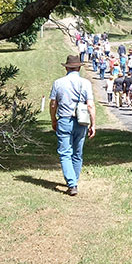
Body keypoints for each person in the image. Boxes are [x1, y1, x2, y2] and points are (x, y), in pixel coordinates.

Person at [49, 55, 96, 196]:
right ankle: (73, 180)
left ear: (67, 68)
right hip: (82, 121)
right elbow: (90, 105)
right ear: (79, 67)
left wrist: (53, 119)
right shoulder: (86, 83)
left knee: (65, 153)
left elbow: (53, 104)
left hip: (64, 120)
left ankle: (72, 183)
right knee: (77, 153)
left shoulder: (58, 83)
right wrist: (93, 124)